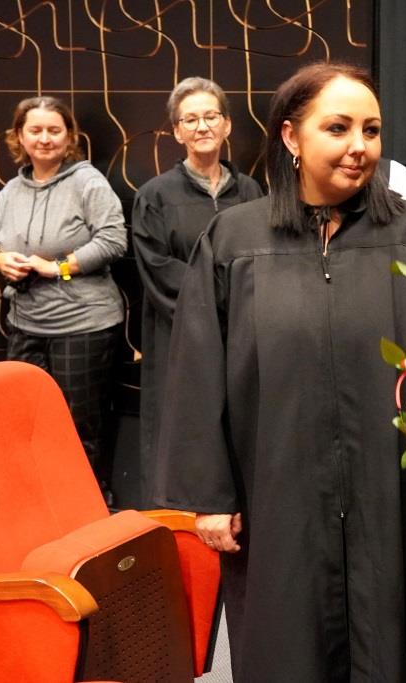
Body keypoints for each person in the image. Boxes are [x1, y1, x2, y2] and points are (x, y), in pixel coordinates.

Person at [153, 62, 406, 682]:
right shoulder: (233, 239)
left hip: (390, 497)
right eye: (338, 128)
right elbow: (197, 372)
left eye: (371, 130)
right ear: (291, 137)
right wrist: (210, 498)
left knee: (387, 646)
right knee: (284, 643)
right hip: (274, 492)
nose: (360, 146)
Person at [0, 96, 127, 501]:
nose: (45, 139)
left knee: (79, 426)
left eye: (54, 130)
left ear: (69, 136)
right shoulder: (11, 190)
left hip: (83, 324)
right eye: (35, 130)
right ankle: (38, 503)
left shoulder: (87, 183)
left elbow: (114, 241)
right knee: (24, 420)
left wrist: (56, 268)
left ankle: (87, 503)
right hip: (24, 323)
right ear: (19, 136)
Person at [132, 77, 262, 505]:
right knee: (181, 426)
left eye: (211, 116)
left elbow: (262, 260)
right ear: (176, 131)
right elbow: (155, 266)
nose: (202, 126)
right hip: (179, 333)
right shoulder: (154, 196)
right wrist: (209, 307)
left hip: (241, 330)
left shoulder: (251, 192)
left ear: (227, 125)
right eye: (190, 119)